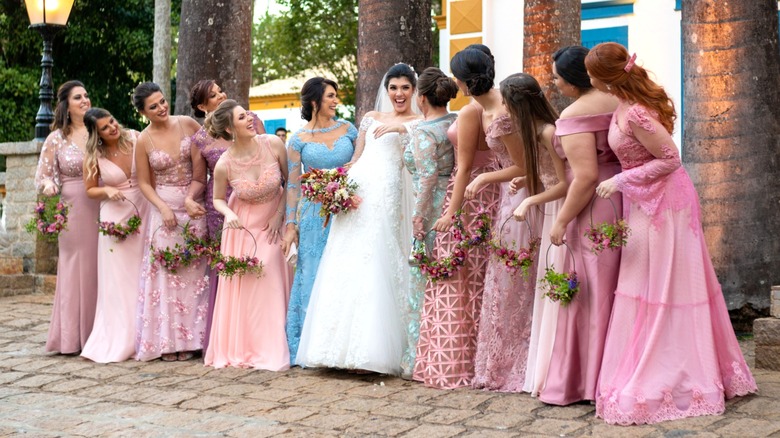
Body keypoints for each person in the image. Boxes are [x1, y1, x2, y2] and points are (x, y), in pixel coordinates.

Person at [585, 42, 757, 424]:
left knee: (664, 283)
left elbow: (670, 159)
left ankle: (680, 373)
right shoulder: (620, 106)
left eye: (592, 72)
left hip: (667, 204)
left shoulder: (638, 114)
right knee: (642, 280)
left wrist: (622, 179)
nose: (589, 78)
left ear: (608, 77)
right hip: (641, 201)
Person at [295, 63, 421, 375]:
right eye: (394, 88)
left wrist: (404, 129)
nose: (399, 93)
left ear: (414, 90)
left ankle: (370, 352)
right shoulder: (369, 119)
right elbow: (355, 159)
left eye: (405, 87)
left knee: (376, 259)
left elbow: (425, 149)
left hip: (387, 195)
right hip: (357, 192)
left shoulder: (419, 121)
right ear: (386, 90)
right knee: (345, 261)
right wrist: (332, 184)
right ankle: (332, 348)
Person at [525, 46, 622, 404]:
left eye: (557, 75)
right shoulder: (618, 101)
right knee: (617, 288)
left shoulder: (575, 113)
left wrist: (561, 221)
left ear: (573, 79)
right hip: (624, 201)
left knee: (591, 291)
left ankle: (587, 380)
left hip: (595, 204)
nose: (553, 80)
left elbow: (584, 177)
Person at [448, 48, 541, 392]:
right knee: (505, 281)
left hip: (520, 194)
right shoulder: (485, 107)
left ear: (464, 79)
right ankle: (499, 364)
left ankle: (514, 365)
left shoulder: (501, 113)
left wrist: (484, 178)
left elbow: (527, 165)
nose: (454, 82)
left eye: (455, 77)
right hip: (509, 195)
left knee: (513, 280)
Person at [414, 44, 502, 389]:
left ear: (464, 78)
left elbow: (464, 166)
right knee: (481, 275)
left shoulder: (470, 111)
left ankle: (454, 363)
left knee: (457, 278)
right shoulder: (503, 102)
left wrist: (451, 212)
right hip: (496, 190)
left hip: (468, 194)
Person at [203, 100, 292, 370]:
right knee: (252, 282)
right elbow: (218, 199)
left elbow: (291, 183)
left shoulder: (273, 145)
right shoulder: (224, 164)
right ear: (230, 128)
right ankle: (249, 346)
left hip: (275, 218)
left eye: (249, 114)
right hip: (243, 228)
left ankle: (275, 345)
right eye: (243, 118)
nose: (251, 119)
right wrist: (229, 215)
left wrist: (280, 216)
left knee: (271, 275)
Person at [281, 77, 358, 364]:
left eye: (336, 96)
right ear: (314, 101)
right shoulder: (298, 140)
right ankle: (313, 345)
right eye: (330, 96)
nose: (336, 101)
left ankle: (344, 343)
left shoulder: (349, 130)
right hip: (314, 216)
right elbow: (292, 186)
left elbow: (362, 165)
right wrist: (291, 225)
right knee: (313, 274)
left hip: (346, 210)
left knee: (344, 273)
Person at [133, 82, 210, 362]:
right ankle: (168, 341)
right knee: (167, 275)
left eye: (163, 101)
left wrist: (191, 198)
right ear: (144, 112)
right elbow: (143, 182)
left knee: (194, 275)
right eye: (153, 106)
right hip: (163, 210)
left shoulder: (188, 124)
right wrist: (162, 208)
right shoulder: (144, 140)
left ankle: (195, 339)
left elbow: (202, 169)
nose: (162, 108)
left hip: (193, 204)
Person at [188, 79, 265, 356]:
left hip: (257, 200)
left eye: (220, 90)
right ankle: (226, 334)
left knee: (261, 259)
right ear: (201, 106)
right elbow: (199, 178)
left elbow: (265, 156)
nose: (221, 94)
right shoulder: (199, 138)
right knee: (230, 266)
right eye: (213, 94)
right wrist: (188, 198)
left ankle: (258, 329)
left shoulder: (250, 121)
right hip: (219, 207)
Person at [80, 108, 151, 363]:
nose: (112, 127)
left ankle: (147, 334)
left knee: (143, 272)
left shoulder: (135, 137)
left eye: (111, 121)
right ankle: (121, 337)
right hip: (114, 216)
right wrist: (107, 190)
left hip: (143, 208)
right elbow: (90, 190)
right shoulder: (93, 155)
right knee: (119, 279)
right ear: (96, 135)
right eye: (105, 128)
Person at [34, 80, 99, 354]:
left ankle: (98, 334)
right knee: (75, 267)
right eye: (78, 97)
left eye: (86, 95)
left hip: (101, 204)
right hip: (72, 207)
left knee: (100, 266)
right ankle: (71, 337)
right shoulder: (56, 138)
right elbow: (43, 175)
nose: (85, 100)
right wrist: (49, 186)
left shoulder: (99, 130)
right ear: (66, 105)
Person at [401, 67, 458, 380]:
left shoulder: (424, 132)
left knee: (424, 279)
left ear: (421, 97)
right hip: (456, 200)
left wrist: (419, 216)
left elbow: (428, 176)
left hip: (433, 205)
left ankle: (421, 357)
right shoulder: (457, 119)